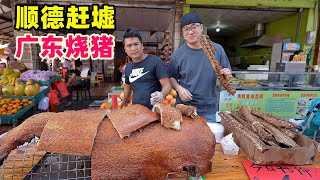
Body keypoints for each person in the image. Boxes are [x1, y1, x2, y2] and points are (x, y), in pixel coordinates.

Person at [168, 13, 232, 123]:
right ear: (183, 33)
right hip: (185, 107)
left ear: (201, 27)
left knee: (209, 138)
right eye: (186, 29)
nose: (190, 32)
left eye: (194, 27)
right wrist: (179, 89)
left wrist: (228, 75)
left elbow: (228, 76)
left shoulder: (217, 49)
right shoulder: (177, 55)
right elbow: (171, 77)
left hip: (208, 108)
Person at [120, 27, 172, 109]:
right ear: (125, 49)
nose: (133, 49)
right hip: (136, 111)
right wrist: (124, 101)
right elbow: (128, 88)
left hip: (154, 110)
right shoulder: (128, 67)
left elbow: (167, 85)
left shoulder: (155, 61)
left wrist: (161, 95)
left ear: (142, 45)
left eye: (136, 44)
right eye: (129, 46)